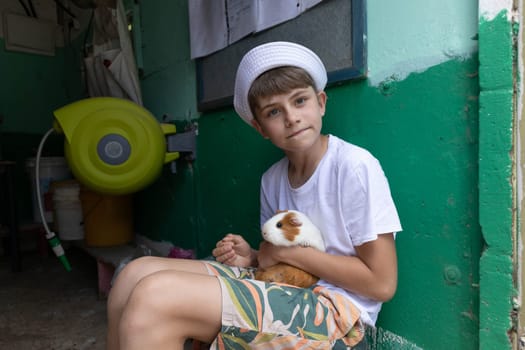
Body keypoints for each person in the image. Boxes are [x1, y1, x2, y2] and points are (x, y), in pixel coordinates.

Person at [106, 41, 402, 349]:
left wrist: (286, 254)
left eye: (300, 101)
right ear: (261, 128)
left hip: (337, 313)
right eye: (275, 111)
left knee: (156, 296)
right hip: (287, 287)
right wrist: (253, 256)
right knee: (133, 274)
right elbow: (274, 259)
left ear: (321, 102)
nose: (292, 117)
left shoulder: (353, 166)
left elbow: (382, 283)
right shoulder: (272, 179)